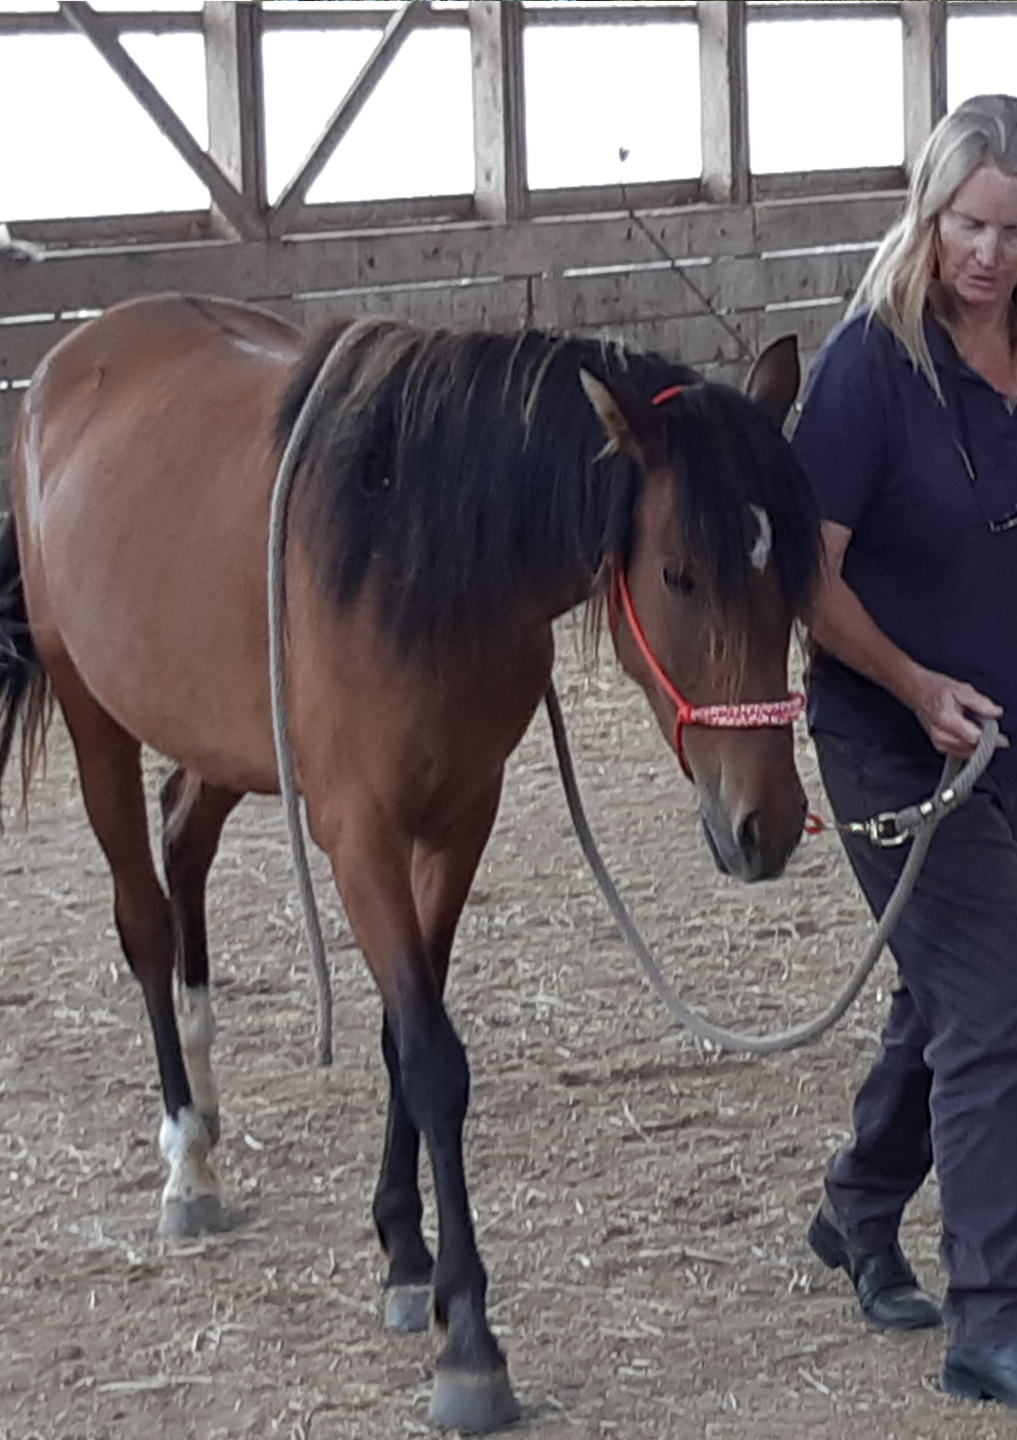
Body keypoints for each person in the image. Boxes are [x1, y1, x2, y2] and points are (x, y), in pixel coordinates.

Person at [791, 93, 1017, 1408]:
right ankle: (991, 1316)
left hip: (1007, 727)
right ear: (929, 216)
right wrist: (915, 683)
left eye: (1013, 233)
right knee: (995, 998)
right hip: (892, 740)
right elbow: (808, 582)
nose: (989, 255)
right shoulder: (867, 369)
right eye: (968, 225)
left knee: (950, 989)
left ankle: (858, 1206)